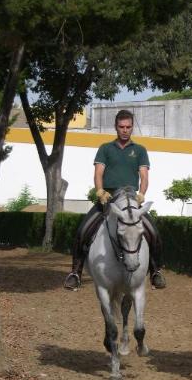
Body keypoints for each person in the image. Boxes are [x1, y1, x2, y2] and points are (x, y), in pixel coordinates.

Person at [64, 109, 166, 290]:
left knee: (154, 233)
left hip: (132, 202)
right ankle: (75, 272)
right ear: (116, 127)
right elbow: (98, 173)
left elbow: (144, 177)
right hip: (108, 200)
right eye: (121, 127)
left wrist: (141, 194)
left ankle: (156, 271)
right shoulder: (105, 148)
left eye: (128, 127)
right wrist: (100, 191)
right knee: (82, 231)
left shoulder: (140, 150)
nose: (125, 130)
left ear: (132, 127)